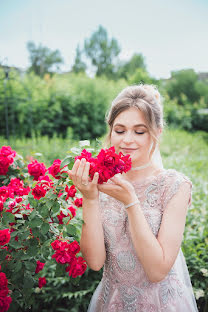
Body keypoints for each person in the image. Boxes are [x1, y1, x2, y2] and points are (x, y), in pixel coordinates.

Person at [68, 84, 198, 311]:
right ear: (110, 131)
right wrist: (90, 199)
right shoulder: (102, 180)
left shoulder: (174, 186)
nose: (127, 140)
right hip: (112, 301)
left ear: (157, 132)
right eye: (119, 130)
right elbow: (96, 262)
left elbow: (157, 271)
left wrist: (130, 201)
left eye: (139, 131)